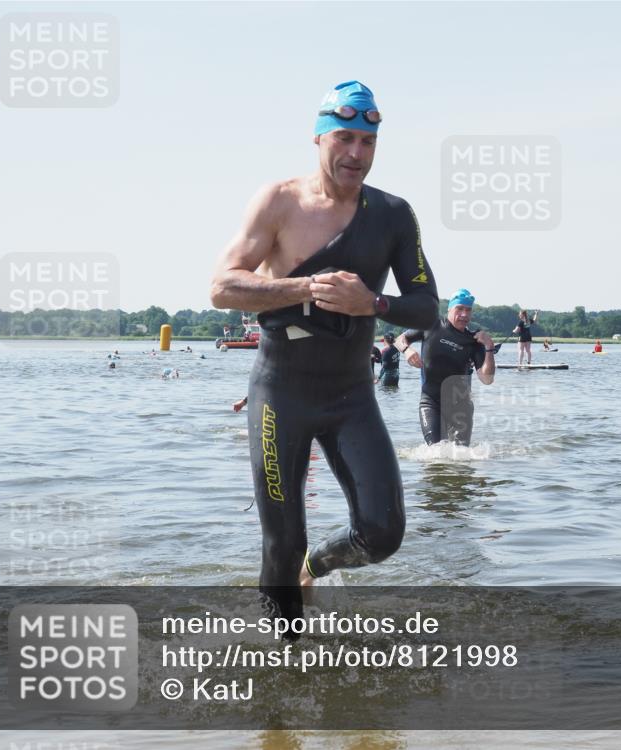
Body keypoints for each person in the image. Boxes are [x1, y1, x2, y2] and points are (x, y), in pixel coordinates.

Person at [209, 80, 439, 622]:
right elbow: (221, 287)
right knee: (280, 542)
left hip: (349, 391)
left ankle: (316, 564)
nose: (356, 154)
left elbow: (427, 307)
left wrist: (372, 303)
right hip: (280, 389)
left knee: (382, 533)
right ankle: (281, 668)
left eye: (368, 142)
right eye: (344, 139)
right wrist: (302, 288)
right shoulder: (279, 202)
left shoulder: (393, 215)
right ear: (318, 140)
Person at [395, 289, 496, 446]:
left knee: (461, 454)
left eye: (468, 310)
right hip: (430, 401)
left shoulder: (474, 341)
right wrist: (406, 350)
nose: (464, 314)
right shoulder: (431, 325)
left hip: (460, 405)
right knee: (435, 451)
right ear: (450, 308)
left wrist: (489, 347)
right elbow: (400, 339)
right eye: (460, 309)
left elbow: (487, 379)